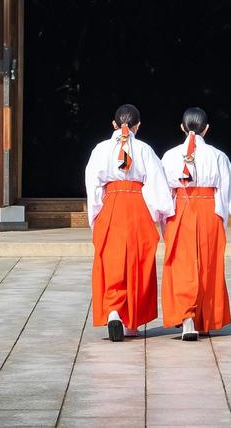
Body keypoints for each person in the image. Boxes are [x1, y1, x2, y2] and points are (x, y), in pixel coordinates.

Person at [85, 103, 175, 342]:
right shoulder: (144, 149)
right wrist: (158, 215)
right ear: (138, 126)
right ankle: (132, 321)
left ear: (114, 125)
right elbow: (157, 184)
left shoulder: (100, 149)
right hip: (137, 205)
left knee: (111, 261)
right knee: (138, 262)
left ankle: (114, 310)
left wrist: (95, 216)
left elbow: (92, 184)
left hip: (110, 205)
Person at [160, 106, 231, 341]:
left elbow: (163, 193)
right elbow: (225, 193)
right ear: (207, 128)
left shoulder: (170, 156)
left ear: (182, 128)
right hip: (209, 208)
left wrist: (164, 220)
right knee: (208, 263)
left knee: (182, 264)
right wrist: (222, 221)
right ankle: (205, 318)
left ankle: (187, 318)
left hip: (180, 208)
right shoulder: (218, 156)